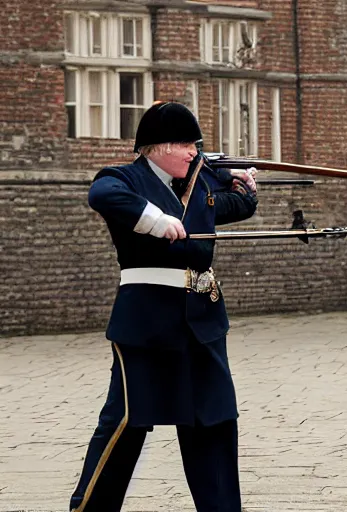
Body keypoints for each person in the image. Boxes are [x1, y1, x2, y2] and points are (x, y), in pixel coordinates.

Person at [69, 101, 259, 511]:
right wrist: (154, 220)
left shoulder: (201, 186)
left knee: (216, 421)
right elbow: (101, 194)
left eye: (196, 145)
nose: (194, 152)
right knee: (126, 423)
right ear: (156, 147)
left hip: (203, 322)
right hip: (148, 323)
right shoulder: (126, 179)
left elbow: (238, 205)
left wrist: (240, 181)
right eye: (185, 144)